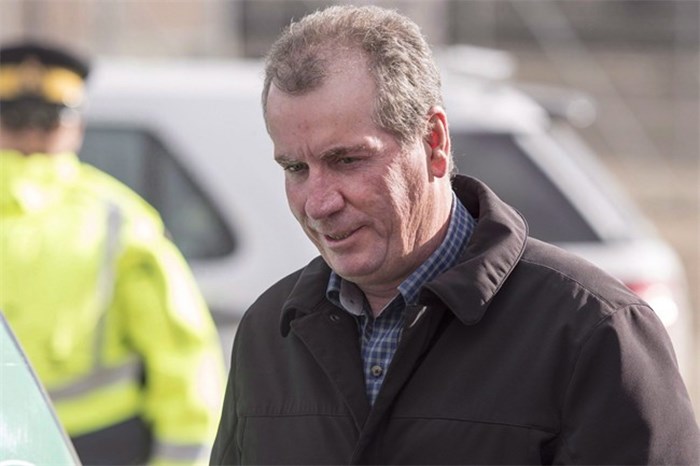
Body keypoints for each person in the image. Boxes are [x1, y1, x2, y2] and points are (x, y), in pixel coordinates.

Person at [210, 5, 700, 465]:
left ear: (435, 143)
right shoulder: (269, 332)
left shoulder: (594, 330)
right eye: (295, 168)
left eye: (347, 160)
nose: (318, 203)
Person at [0, 41, 225, 465]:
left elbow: (183, 358)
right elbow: (184, 358)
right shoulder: (121, 217)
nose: (31, 133)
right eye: (20, 119)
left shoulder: (121, 219)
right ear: (75, 126)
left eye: (40, 120)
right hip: (100, 446)